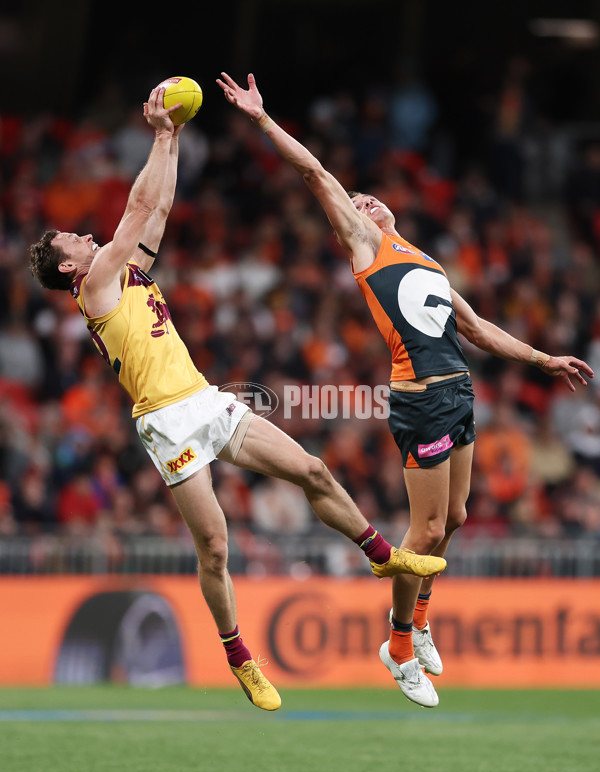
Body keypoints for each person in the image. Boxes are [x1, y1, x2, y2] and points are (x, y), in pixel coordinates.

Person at [29, 85, 446, 711]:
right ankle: (238, 655)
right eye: (74, 240)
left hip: (203, 399)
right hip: (164, 423)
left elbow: (158, 211)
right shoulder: (95, 288)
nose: (87, 237)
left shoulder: (126, 273)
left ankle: (382, 555)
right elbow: (139, 204)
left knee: (312, 469)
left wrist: (170, 137)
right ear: (68, 269)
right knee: (216, 546)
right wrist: (158, 135)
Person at [217, 72, 595, 707]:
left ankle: (420, 621)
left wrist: (541, 356)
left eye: (368, 199)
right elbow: (314, 173)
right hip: (419, 398)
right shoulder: (367, 248)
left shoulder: (423, 260)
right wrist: (261, 120)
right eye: (357, 202)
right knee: (421, 536)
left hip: (460, 393)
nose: (364, 203)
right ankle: (396, 644)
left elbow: (475, 327)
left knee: (457, 517)